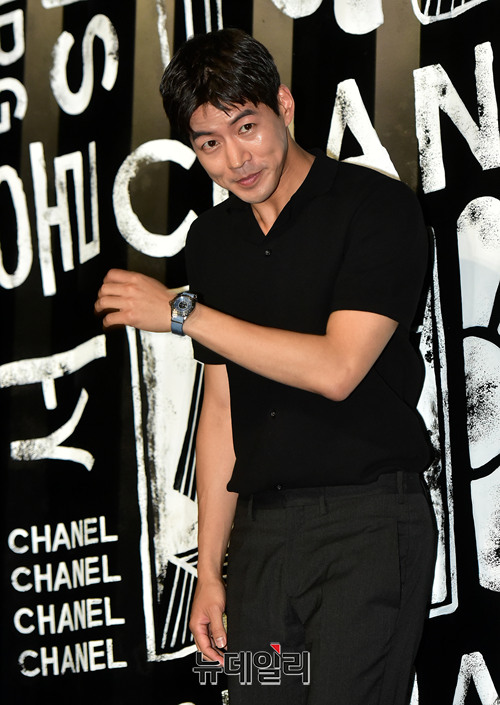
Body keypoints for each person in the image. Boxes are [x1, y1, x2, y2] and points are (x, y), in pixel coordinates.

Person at [95, 28, 436, 705]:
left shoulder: (375, 208)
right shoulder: (212, 242)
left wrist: (184, 314)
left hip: (365, 527)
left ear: (283, 105)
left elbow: (339, 369)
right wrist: (210, 571)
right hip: (259, 544)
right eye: (209, 143)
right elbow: (220, 407)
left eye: (246, 127)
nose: (235, 159)